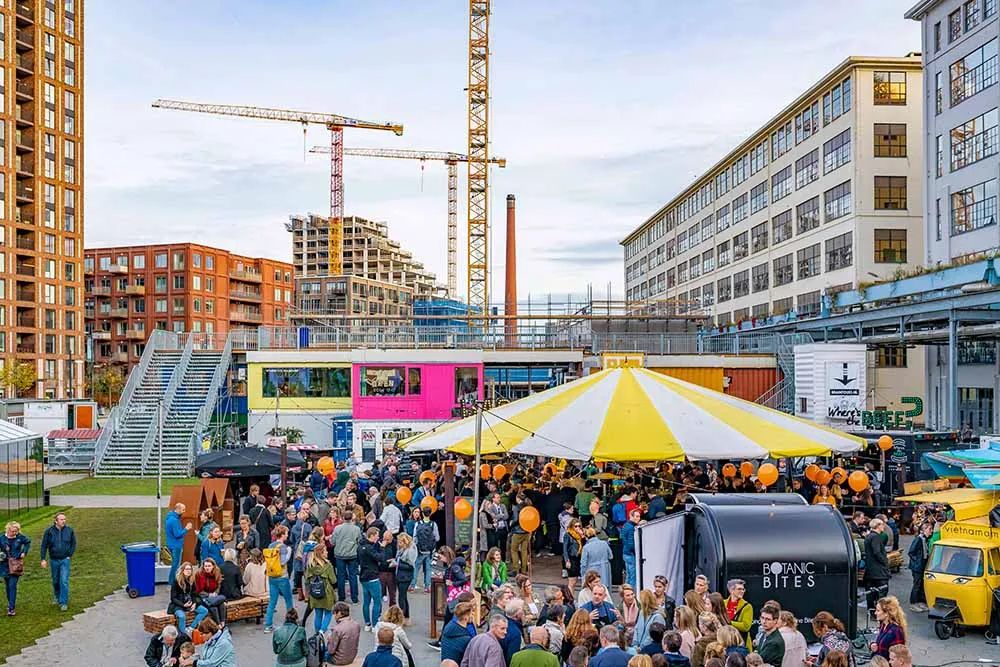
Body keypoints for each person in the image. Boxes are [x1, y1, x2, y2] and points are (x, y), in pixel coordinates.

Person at [38, 511, 75, 612]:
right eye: (61, 519)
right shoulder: (49, 532)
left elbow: (73, 543)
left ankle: (63, 602)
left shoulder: (69, 530)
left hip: (65, 560)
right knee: (56, 581)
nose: (64, 521)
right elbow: (44, 546)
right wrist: (43, 559)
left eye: (64, 519)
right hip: (54, 560)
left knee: (64, 581)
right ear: (56, 521)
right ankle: (57, 596)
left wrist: (69, 555)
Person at [264, 525, 295, 633]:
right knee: (288, 600)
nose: (287, 535)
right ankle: (291, 622)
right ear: (282, 535)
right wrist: (289, 551)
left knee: (272, 601)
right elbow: (283, 561)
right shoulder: (283, 547)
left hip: (272, 576)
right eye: (286, 533)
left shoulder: (271, 545)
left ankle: (268, 625)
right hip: (282, 576)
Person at [359, 526, 387, 631]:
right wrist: (382, 547)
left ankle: (367, 624)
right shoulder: (369, 548)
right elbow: (380, 558)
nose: (378, 538)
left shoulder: (361, 546)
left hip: (363, 576)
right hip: (372, 576)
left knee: (366, 601)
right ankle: (375, 625)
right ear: (372, 535)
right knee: (377, 601)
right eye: (377, 535)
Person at [305, 541, 337, 633]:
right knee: (328, 613)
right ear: (321, 553)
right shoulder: (328, 566)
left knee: (318, 614)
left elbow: (307, 581)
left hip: (314, 592)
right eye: (325, 551)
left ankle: (317, 633)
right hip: (326, 593)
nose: (327, 552)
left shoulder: (310, 565)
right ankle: (322, 631)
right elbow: (334, 580)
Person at [168, 562, 209, 635]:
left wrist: (194, 603)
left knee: (204, 611)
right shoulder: (176, 581)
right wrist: (183, 605)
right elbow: (173, 598)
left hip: (190, 603)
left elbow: (194, 594)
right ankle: (183, 634)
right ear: (182, 570)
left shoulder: (192, 581)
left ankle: (191, 628)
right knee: (182, 616)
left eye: (190, 569)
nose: (188, 571)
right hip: (178, 605)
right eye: (186, 569)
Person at [332, 510, 362, 604]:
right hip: (352, 555)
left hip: (340, 555)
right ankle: (354, 598)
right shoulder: (356, 529)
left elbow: (333, 542)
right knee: (353, 576)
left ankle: (341, 597)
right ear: (352, 518)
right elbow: (360, 541)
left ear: (343, 518)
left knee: (341, 576)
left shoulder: (337, 528)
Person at [864, 520, 891, 616]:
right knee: (882, 592)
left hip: (870, 570)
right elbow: (877, 552)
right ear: (877, 526)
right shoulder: (875, 537)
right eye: (882, 524)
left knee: (870, 593)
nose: (884, 526)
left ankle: (872, 612)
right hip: (879, 572)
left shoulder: (869, 536)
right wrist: (885, 562)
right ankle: (879, 612)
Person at [906, 522, 932, 612]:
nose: (931, 531)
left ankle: (920, 602)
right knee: (916, 585)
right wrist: (917, 562)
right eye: (929, 529)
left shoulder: (925, 539)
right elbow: (911, 552)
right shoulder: (918, 539)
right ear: (923, 530)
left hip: (921, 565)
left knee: (921, 585)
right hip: (917, 567)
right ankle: (913, 603)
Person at [442, 600, 478, 665]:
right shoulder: (466, 639)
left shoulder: (448, 627)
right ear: (465, 617)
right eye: (472, 613)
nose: (473, 615)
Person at [413, 509, 440, 593]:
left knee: (416, 567)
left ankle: (412, 585)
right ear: (430, 514)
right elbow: (437, 538)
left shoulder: (418, 523)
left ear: (422, 513)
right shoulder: (433, 524)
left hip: (420, 550)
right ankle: (427, 587)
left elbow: (414, 537)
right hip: (430, 551)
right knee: (428, 569)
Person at [194, 558, 228, 625]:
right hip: (203, 597)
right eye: (205, 566)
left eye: (209, 566)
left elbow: (218, 586)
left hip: (214, 597)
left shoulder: (217, 573)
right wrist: (208, 595)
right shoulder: (199, 574)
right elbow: (198, 590)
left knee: (221, 603)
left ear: (213, 566)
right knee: (216, 606)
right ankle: (219, 625)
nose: (207, 568)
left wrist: (215, 593)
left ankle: (222, 623)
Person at [327, 602, 362, 666]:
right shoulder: (356, 625)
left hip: (338, 660)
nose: (334, 616)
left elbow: (331, 650)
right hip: (351, 657)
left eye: (335, 614)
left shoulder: (337, 629)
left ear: (339, 613)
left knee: (321, 651)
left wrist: (329, 638)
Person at [165, 503, 192, 584]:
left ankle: (173, 581)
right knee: (176, 564)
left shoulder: (170, 518)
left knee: (175, 564)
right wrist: (186, 528)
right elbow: (177, 534)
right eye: (183, 510)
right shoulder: (175, 521)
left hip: (171, 544)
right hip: (176, 545)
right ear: (178, 509)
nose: (184, 511)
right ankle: (173, 582)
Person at [723, 580, 752, 649]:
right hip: (725, 641)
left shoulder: (747, 606)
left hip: (741, 643)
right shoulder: (723, 603)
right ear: (731, 590)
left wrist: (729, 623)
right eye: (739, 589)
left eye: (743, 589)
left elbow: (746, 626)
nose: (742, 591)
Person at [394, 532, 417, 619]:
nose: (399, 544)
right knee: (404, 596)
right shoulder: (402, 549)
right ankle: (406, 616)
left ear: (405, 542)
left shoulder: (410, 551)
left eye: (400, 542)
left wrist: (397, 564)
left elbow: (411, 566)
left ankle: (401, 617)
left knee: (401, 597)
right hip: (401, 575)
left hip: (405, 577)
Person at [510, 495, 534, 576]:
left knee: (514, 550)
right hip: (526, 531)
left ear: (518, 499)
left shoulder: (516, 507)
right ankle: (524, 570)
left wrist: (511, 524)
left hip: (517, 531)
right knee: (524, 551)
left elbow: (516, 519)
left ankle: (516, 569)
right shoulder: (528, 507)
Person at [502, 598, 527, 665]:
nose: (524, 612)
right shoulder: (515, 632)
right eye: (522, 610)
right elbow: (513, 658)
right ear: (517, 614)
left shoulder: (503, 624)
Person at [621, 509, 641, 590]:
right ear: (631, 516)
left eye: (639, 516)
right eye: (636, 516)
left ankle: (625, 591)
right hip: (631, 554)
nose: (638, 518)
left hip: (625, 553)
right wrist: (636, 552)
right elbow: (631, 544)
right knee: (633, 576)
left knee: (628, 575)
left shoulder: (626, 525)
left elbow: (623, 538)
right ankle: (631, 592)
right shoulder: (632, 528)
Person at [563, 518, 585, 591]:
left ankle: (572, 596)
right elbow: (565, 549)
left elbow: (585, 546)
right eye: (575, 526)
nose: (577, 528)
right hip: (572, 558)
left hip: (579, 558)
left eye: (579, 526)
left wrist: (582, 536)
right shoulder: (568, 535)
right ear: (572, 526)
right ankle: (570, 597)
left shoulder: (581, 535)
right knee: (572, 582)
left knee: (576, 581)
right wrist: (567, 560)